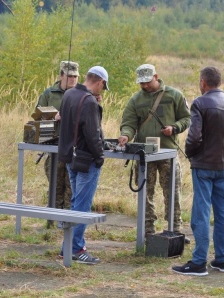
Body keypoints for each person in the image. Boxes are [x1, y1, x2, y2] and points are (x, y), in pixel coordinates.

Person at [172, 66, 224, 276]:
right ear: (219, 82)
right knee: (223, 213)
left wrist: (191, 153)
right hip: (223, 166)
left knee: (201, 214)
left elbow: (194, 137)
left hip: (203, 166)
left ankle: (198, 263)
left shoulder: (200, 103)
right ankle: (222, 260)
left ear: (203, 82)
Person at [118, 64, 191, 243]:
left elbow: (187, 118)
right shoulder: (136, 100)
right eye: (141, 83)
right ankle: (148, 231)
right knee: (145, 192)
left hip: (168, 153)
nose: (144, 86)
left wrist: (174, 128)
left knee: (172, 192)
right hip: (145, 154)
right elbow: (128, 122)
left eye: (147, 82)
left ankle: (174, 230)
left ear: (156, 77)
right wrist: (126, 135)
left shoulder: (174, 95)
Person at [58, 65, 109, 265]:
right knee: (82, 205)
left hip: (70, 156)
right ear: (100, 82)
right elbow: (92, 134)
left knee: (75, 202)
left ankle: (67, 247)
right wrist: (100, 157)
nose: (102, 91)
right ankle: (76, 248)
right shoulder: (88, 102)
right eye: (103, 87)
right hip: (86, 159)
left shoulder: (69, 94)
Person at [36, 60, 79, 210]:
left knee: (72, 187)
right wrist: (53, 117)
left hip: (75, 147)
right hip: (54, 147)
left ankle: (67, 222)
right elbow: (38, 117)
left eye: (75, 76)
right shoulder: (49, 94)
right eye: (69, 76)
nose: (73, 79)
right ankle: (52, 221)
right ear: (61, 75)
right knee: (55, 186)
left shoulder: (82, 94)